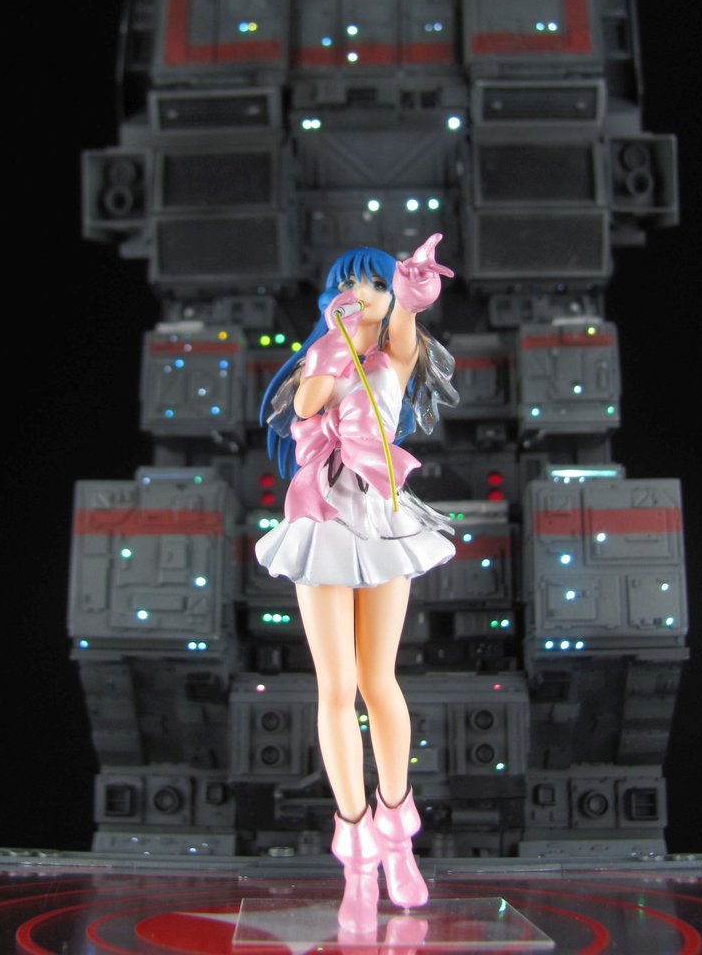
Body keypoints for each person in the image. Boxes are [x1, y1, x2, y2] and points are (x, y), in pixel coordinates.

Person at [256, 233, 458, 932]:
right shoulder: (325, 352)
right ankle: (355, 852)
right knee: (335, 686)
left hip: (379, 519)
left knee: (380, 680)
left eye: (373, 284)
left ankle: (398, 832)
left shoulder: (396, 354)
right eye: (351, 284)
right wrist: (334, 342)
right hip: (320, 518)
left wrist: (413, 290)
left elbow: (405, 326)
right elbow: (307, 406)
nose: (362, 295)